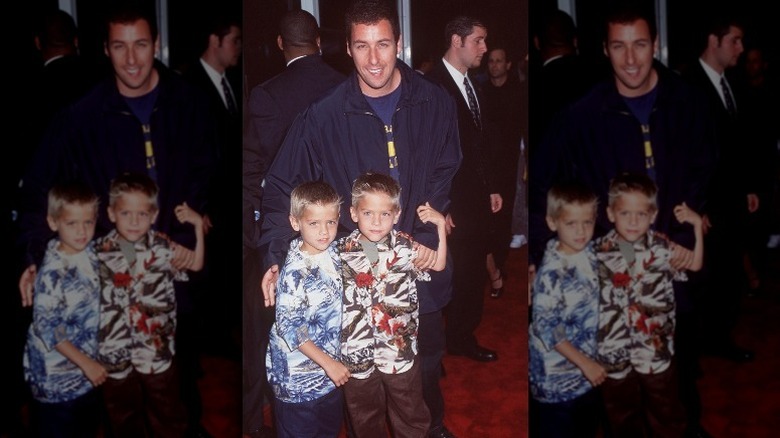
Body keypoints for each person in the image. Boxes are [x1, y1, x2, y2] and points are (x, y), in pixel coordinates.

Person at [258, 2, 461, 436]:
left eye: (383, 44)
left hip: (416, 264)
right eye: (362, 46)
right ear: (347, 49)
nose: (374, 59)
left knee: (424, 369)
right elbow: (279, 186)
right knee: (362, 391)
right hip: (352, 281)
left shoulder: (434, 100)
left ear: (399, 44)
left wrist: (429, 228)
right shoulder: (322, 116)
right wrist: (276, 255)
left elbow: (446, 168)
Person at [16, 5, 217, 436]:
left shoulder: (190, 104)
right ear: (105, 50)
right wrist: (35, 256)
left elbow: (216, 172)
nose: (131, 59)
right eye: (120, 47)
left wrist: (199, 220)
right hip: (107, 291)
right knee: (121, 411)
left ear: (156, 44)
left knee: (177, 403)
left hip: (174, 283)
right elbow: (36, 191)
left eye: (141, 45)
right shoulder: (80, 118)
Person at [528, 5, 716, 437]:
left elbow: (710, 169)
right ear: (604, 50)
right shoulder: (581, 116)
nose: (630, 59)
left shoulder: (687, 101)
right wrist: (545, 250)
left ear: (655, 45)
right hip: (607, 274)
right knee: (618, 395)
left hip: (673, 265)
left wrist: (700, 216)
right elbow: (541, 186)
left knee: (676, 378)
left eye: (640, 45)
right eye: (618, 46)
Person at [242, 9, 345, 437]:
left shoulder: (265, 94)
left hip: (284, 228)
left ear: (281, 45)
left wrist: (261, 242)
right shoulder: (343, 85)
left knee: (260, 333)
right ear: (319, 41)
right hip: (338, 224)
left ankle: (251, 422)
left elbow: (253, 172)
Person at [683, 13, 769, 363]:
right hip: (706, 205)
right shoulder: (689, 86)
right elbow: (685, 152)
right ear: (713, 41)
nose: (741, 48)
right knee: (706, 279)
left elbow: (735, 144)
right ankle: (700, 348)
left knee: (729, 274)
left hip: (731, 200)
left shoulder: (729, 82)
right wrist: (696, 207)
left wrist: (748, 187)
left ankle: (720, 339)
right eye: (734, 40)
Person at [339, 172, 447, 437]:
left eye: (385, 214)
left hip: (399, 351)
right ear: (353, 213)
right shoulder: (338, 251)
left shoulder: (406, 246)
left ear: (396, 214)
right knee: (364, 419)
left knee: (410, 414)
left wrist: (441, 226)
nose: (376, 222)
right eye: (368, 213)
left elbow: (439, 264)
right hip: (356, 355)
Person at [96, 171, 204, 437]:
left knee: (167, 413)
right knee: (121, 417)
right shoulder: (97, 252)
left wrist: (198, 226)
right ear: (111, 213)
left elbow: (196, 264)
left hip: (156, 350)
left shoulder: (162, 248)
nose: (134, 221)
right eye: (125, 213)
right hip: (114, 352)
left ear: (153, 215)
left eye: (142, 214)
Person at [595, 172, 703, 437]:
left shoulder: (662, 247)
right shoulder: (595, 251)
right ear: (610, 213)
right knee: (620, 416)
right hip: (613, 352)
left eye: (641, 214)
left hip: (655, 350)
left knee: (666, 412)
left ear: (653, 215)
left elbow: (696, 264)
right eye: (624, 213)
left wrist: (697, 226)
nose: (633, 221)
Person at [426, 15, 501, 363]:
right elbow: (424, 152)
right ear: (457, 41)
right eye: (479, 40)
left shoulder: (474, 85)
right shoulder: (430, 85)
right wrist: (441, 205)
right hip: (450, 203)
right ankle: (438, 346)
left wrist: (493, 187)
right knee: (445, 276)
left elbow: (480, 145)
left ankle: (460, 337)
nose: (485, 48)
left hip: (476, 199)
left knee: (471, 273)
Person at [265, 181, 349, 438]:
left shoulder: (334, 251)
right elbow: (290, 328)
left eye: (331, 222)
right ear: (295, 222)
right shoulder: (293, 273)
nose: (324, 232)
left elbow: (367, 243)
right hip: (297, 382)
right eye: (314, 223)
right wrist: (330, 365)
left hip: (328, 377)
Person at [22, 182, 106, 438]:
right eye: (72, 223)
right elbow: (49, 328)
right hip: (57, 380)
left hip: (84, 374)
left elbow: (119, 246)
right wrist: (87, 364)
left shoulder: (89, 250)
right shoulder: (51, 274)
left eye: (88, 222)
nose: (82, 231)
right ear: (53, 222)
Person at [529, 182, 604, 438]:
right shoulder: (552, 272)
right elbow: (545, 326)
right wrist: (586, 365)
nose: (581, 231)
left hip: (587, 372)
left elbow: (621, 247)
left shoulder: (590, 251)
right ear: (552, 222)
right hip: (557, 381)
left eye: (588, 222)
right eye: (571, 223)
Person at [481, 45, 523, 298]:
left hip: (508, 162)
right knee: (486, 215)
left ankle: (500, 263)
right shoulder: (482, 91)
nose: (495, 65)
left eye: (499, 61)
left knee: (504, 214)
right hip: (486, 164)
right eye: (491, 61)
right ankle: (489, 264)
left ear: (508, 64)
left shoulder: (518, 92)